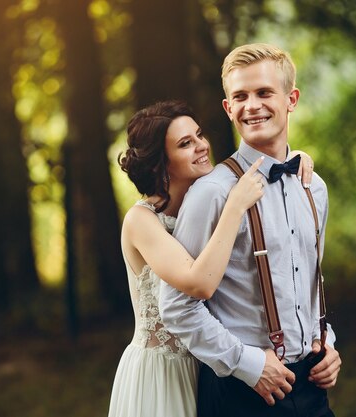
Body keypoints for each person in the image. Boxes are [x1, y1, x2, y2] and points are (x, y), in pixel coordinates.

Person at [159, 43, 342, 417]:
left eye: (264, 93)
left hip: (312, 387)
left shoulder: (314, 188)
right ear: (228, 109)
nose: (252, 105)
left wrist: (328, 343)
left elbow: (308, 283)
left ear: (291, 99)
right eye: (240, 96)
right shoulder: (210, 193)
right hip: (240, 393)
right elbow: (177, 306)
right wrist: (247, 364)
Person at [107, 100, 317, 417]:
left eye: (199, 135)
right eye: (184, 144)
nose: (201, 146)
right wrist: (234, 208)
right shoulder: (142, 221)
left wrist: (289, 160)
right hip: (164, 372)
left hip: (210, 364)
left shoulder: (205, 203)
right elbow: (199, 284)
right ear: (158, 163)